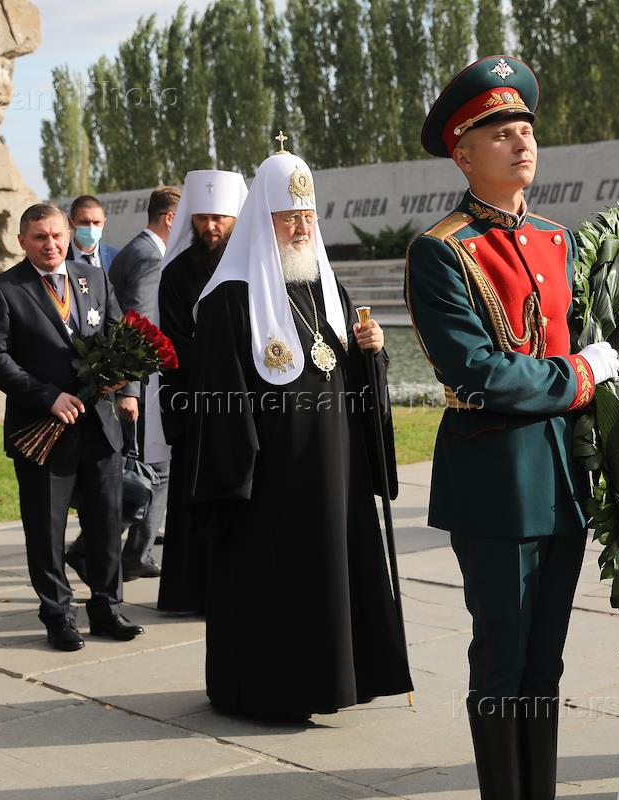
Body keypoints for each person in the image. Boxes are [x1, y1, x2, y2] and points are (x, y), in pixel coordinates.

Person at [406, 56, 618, 799]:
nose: (521, 141)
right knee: (502, 656)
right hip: (497, 478)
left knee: (546, 660)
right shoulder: (442, 250)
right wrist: (583, 375)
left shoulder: (559, 240)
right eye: (500, 131)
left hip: (563, 475)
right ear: (463, 154)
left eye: (525, 127)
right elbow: (479, 374)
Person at [188, 148, 412, 719]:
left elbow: (343, 372)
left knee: (332, 574)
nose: (302, 229)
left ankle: (333, 682)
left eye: (309, 218)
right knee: (278, 581)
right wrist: (240, 473)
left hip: (334, 471)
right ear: (264, 220)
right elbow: (222, 402)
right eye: (290, 219)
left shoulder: (324, 288)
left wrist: (372, 354)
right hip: (271, 480)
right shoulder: (228, 299)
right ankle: (269, 689)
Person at [0, 203, 144, 651]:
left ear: (68, 235)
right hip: (43, 430)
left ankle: (108, 609)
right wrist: (46, 395)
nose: (50, 245)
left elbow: (118, 335)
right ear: (22, 241)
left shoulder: (95, 278)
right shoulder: (3, 290)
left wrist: (127, 384)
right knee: (46, 530)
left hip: (100, 426)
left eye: (56, 236)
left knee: (106, 524)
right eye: (39, 238)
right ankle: (58, 616)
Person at [65, 185, 181, 587]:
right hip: (143, 388)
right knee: (155, 471)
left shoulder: (135, 250)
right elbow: (141, 328)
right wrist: (132, 389)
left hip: (134, 386)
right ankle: (127, 553)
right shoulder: (149, 256)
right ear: (171, 218)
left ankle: (118, 551)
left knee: (145, 470)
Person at [154, 170, 247, 614]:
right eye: (203, 218)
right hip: (196, 400)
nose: (211, 227)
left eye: (220, 219)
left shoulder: (251, 263)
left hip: (248, 400)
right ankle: (194, 590)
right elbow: (174, 342)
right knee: (194, 496)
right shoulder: (177, 272)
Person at [65, 195, 119, 271]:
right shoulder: (60, 259)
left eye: (96, 222)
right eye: (84, 222)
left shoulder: (115, 257)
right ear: (71, 223)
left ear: (104, 222)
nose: (91, 227)